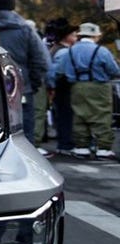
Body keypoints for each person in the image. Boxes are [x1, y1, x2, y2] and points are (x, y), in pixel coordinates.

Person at [0, 0, 50, 145]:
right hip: (21, 89)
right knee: (25, 134)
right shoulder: (25, 28)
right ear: (12, 4)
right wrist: (33, 83)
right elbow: (40, 60)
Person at [49, 22, 120, 159]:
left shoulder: (70, 51)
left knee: (79, 116)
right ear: (95, 36)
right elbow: (114, 70)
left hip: (77, 87)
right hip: (99, 87)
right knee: (102, 116)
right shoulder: (101, 51)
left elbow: (58, 71)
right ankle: (103, 149)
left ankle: (82, 147)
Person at [43, 18, 77, 156]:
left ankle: (65, 142)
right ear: (66, 37)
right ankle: (65, 144)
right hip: (63, 87)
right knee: (65, 116)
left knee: (62, 116)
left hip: (59, 87)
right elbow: (57, 71)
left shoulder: (55, 49)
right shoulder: (63, 52)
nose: (76, 37)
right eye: (74, 35)